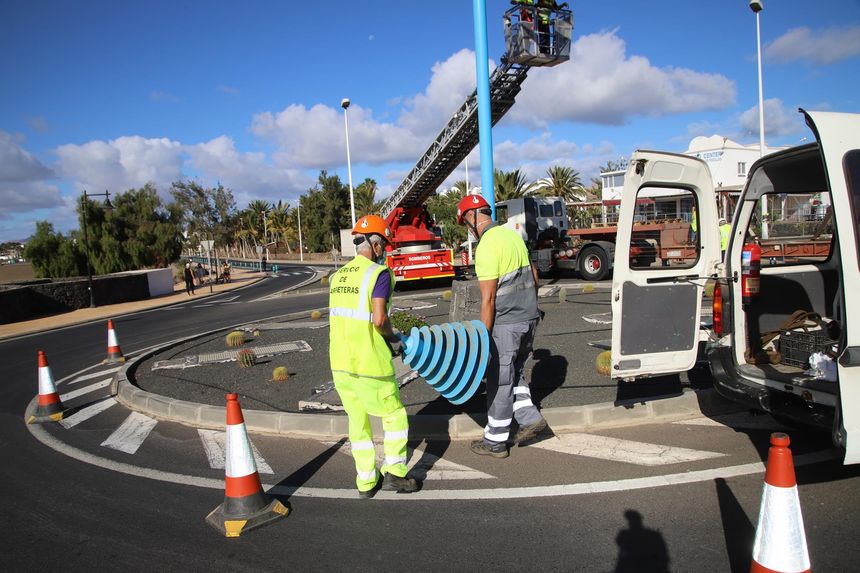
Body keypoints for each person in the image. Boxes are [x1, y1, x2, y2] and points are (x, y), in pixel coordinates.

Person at [328, 214, 419, 497]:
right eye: (386, 247)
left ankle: (366, 482)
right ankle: (395, 472)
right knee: (394, 416)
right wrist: (394, 338)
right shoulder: (378, 275)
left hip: (341, 365)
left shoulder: (337, 276)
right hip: (370, 363)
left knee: (358, 422)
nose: (385, 253)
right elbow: (379, 319)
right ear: (376, 246)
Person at [456, 195, 548, 458]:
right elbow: (534, 276)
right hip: (529, 319)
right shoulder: (512, 236)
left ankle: (495, 441)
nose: (467, 228)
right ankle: (530, 419)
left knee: (499, 379)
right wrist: (530, 308)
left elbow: (489, 298)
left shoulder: (486, 246)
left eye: (465, 222)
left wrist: (482, 340)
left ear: (472, 218)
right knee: (516, 373)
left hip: (507, 324)